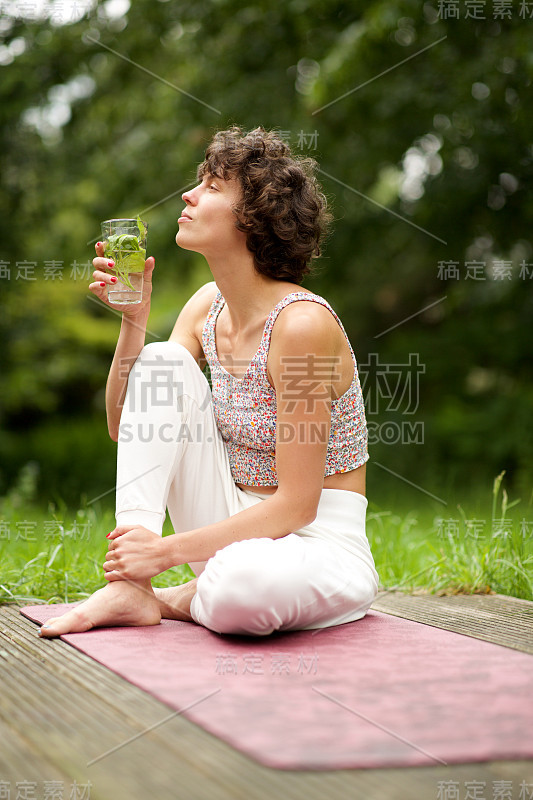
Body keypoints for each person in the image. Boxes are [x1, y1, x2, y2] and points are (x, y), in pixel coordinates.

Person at [39, 126, 378, 639]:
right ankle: (131, 589)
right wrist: (135, 319)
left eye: (213, 187)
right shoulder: (206, 306)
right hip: (232, 519)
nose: (189, 195)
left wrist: (165, 555)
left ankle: (181, 595)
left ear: (255, 219)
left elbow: (298, 504)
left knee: (240, 591)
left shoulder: (302, 325)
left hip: (316, 540)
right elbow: (121, 425)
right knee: (161, 361)